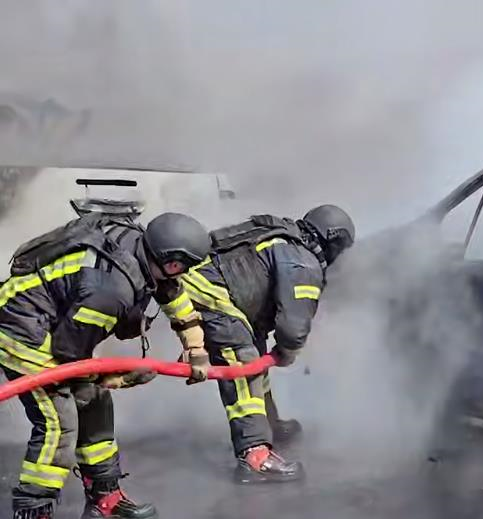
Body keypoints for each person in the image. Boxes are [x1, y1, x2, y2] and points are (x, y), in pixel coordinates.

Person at [0, 212, 212, 519]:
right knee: (58, 421)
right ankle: (33, 510)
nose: (181, 273)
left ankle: (105, 497)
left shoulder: (141, 247)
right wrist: (120, 377)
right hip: (22, 330)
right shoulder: (110, 293)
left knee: (95, 401)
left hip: (51, 324)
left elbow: (171, 291)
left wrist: (195, 346)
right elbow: (69, 354)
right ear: (170, 262)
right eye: (181, 266)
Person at [179, 204, 355, 484]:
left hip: (217, 287)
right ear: (333, 241)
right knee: (243, 363)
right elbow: (293, 328)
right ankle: (254, 455)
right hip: (210, 289)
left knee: (255, 357)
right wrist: (287, 351)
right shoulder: (303, 262)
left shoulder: (285, 239)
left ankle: (269, 424)